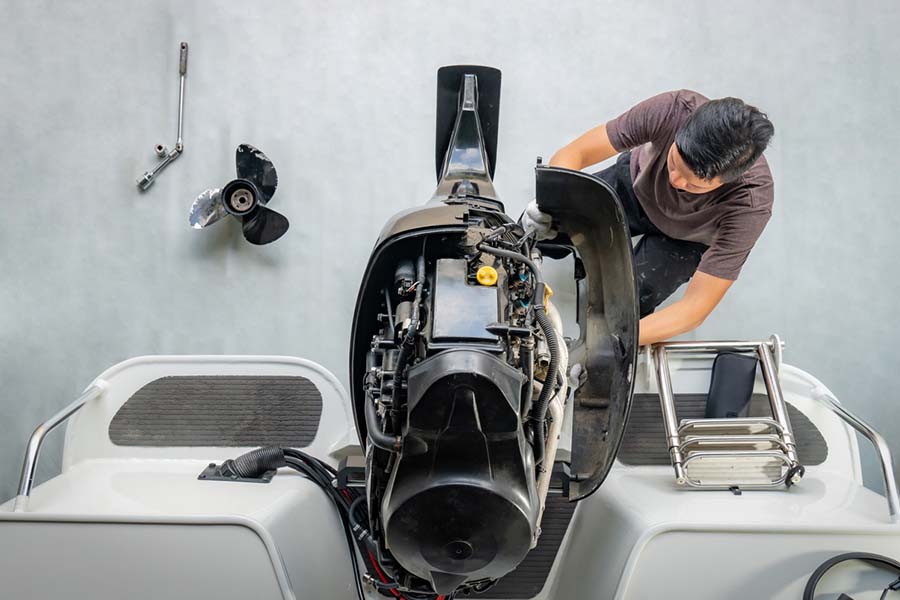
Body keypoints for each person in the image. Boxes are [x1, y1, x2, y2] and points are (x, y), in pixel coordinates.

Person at [523, 90, 775, 346]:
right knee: (542, 232)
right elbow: (575, 153)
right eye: (674, 162)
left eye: (694, 184)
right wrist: (553, 200)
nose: (674, 181)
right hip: (634, 186)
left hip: (684, 239)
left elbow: (694, 310)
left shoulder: (750, 203)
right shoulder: (673, 109)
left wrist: (616, 342)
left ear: (729, 181)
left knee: (623, 305)